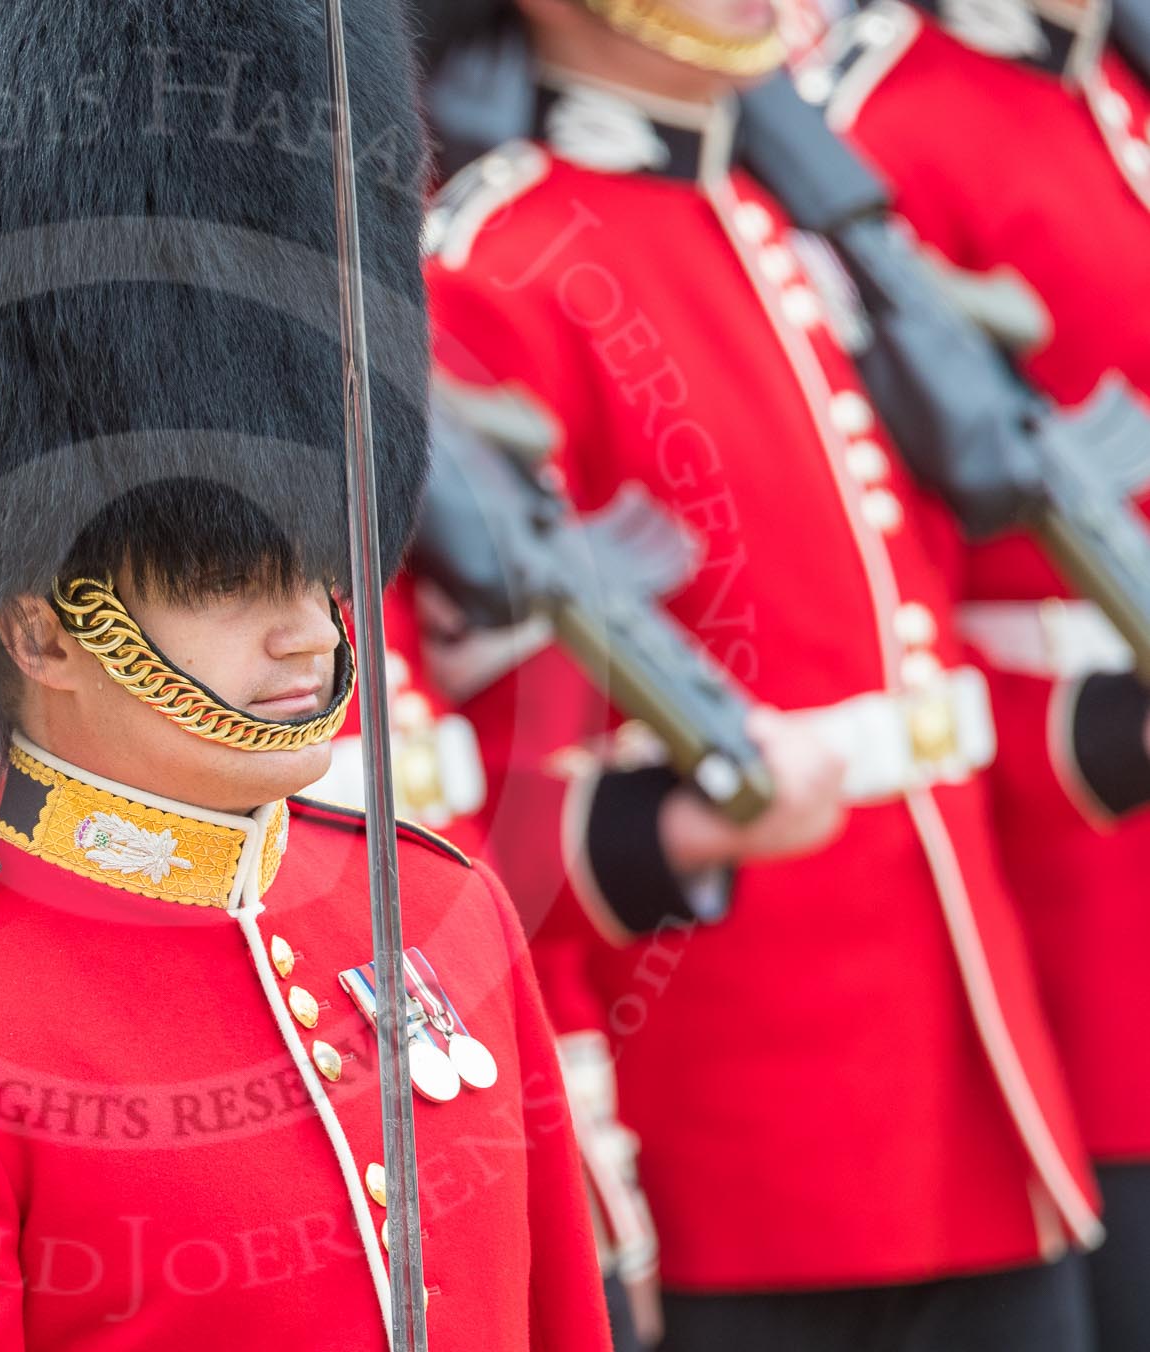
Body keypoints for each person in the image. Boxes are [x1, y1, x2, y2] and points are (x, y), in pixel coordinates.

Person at [0, 1, 614, 1348]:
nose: (314, 634)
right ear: (42, 630)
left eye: (318, 571)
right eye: (225, 583)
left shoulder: (442, 915)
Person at [419, 0, 1125, 1343]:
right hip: (743, 1126)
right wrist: (669, 827)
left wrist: (1086, 731)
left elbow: (932, 634)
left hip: (978, 1067)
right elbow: (482, 766)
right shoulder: (498, 257)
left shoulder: (798, 216)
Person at [815, 6, 1150, 1342]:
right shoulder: (881, 130)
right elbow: (877, 594)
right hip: (1086, 902)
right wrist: (1100, 731)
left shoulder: (1113, 83)